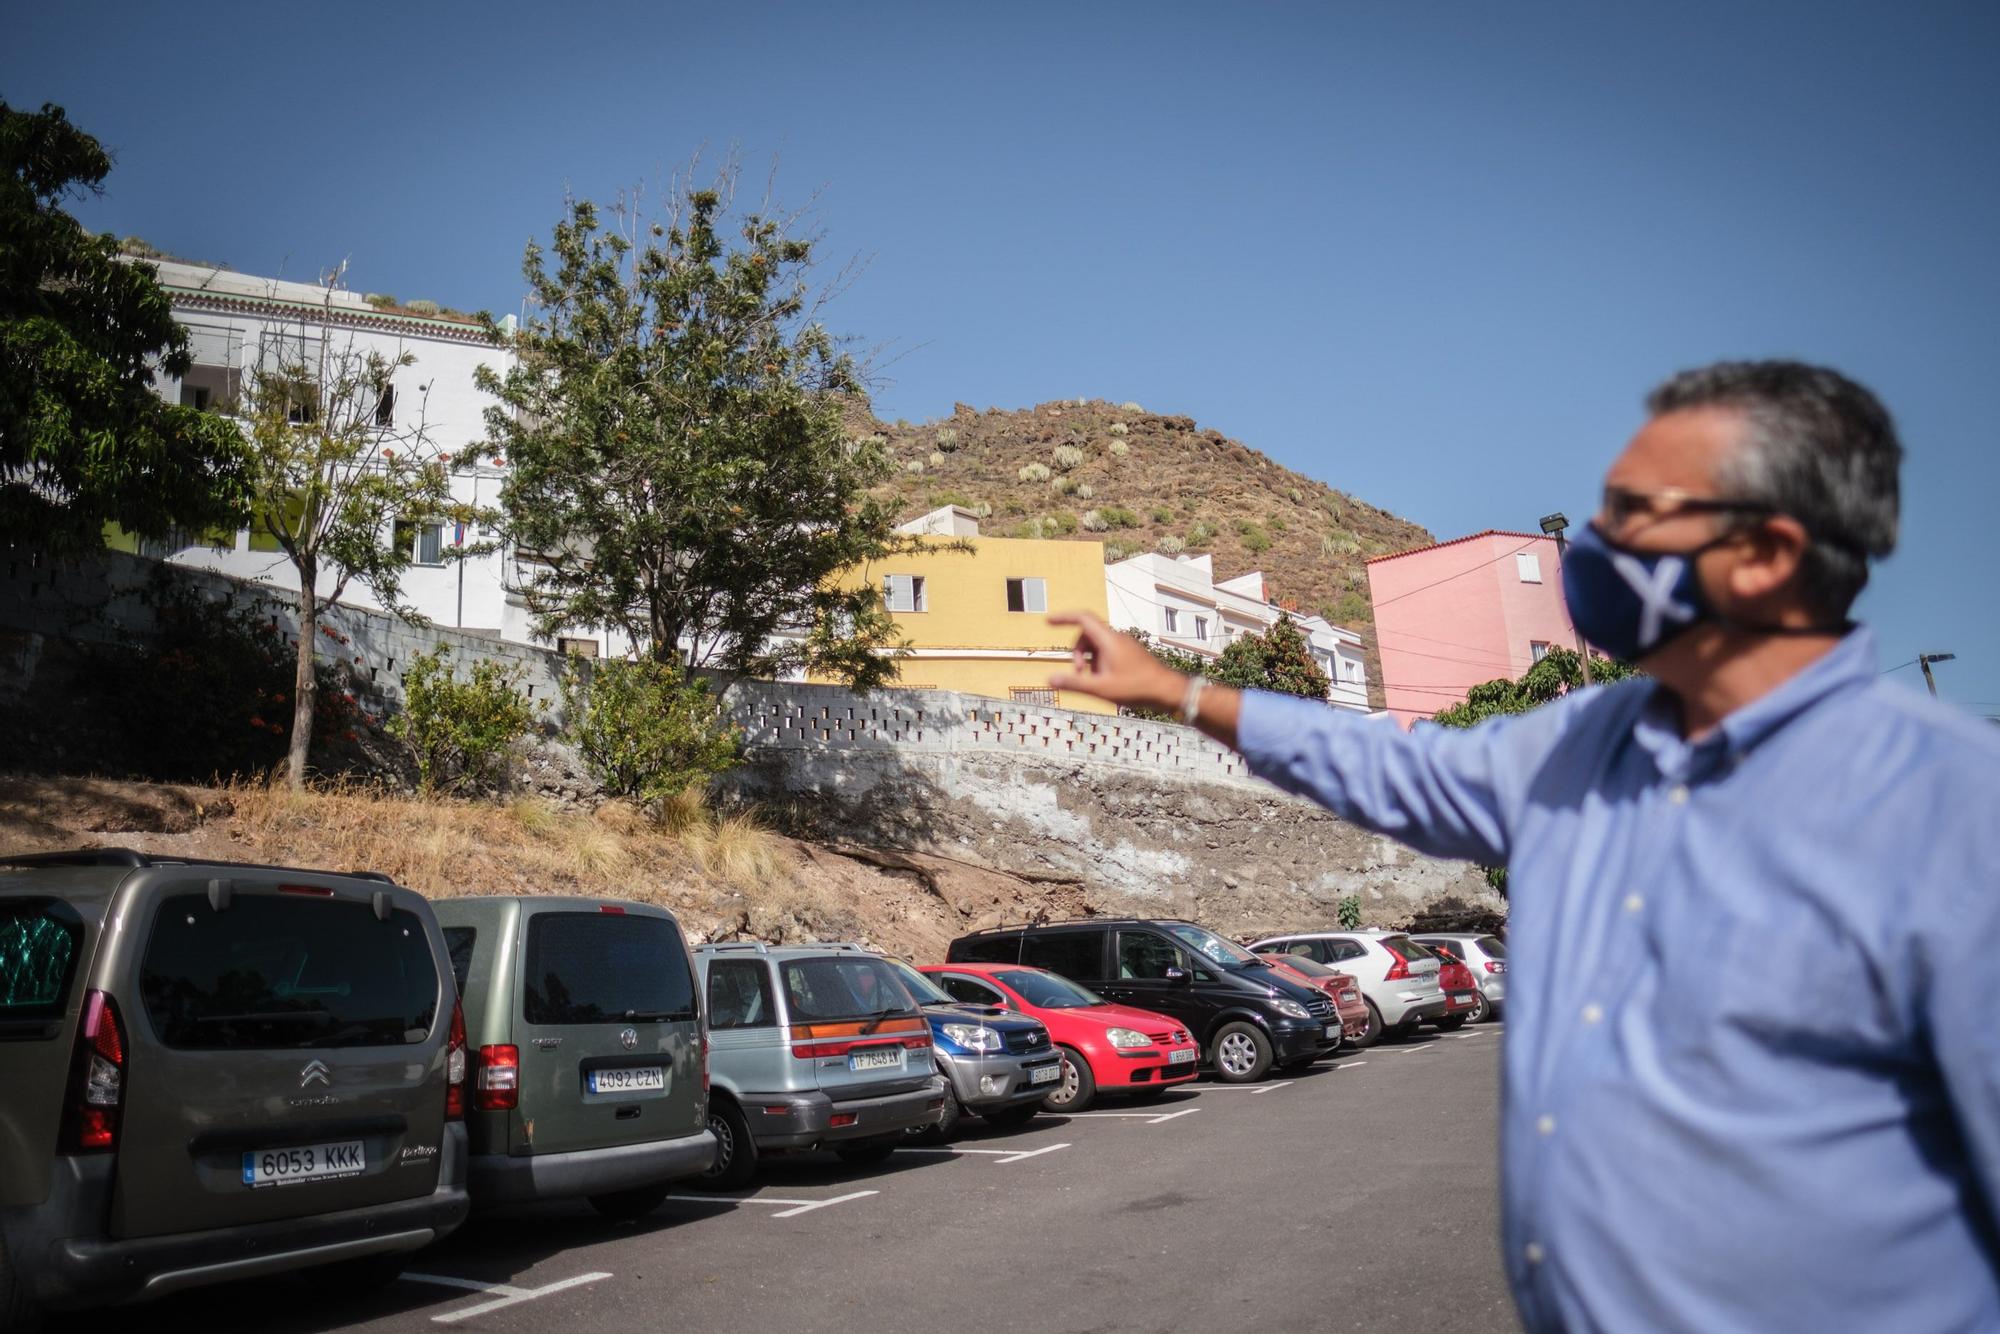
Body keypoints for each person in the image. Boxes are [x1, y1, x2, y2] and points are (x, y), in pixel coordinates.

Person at [1047, 361, 2000, 1332]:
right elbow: (1392, 767)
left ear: (1762, 551)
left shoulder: (1954, 814)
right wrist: (1180, 693)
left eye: (1634, 511)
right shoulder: (1579, 739)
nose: (1592, 543)